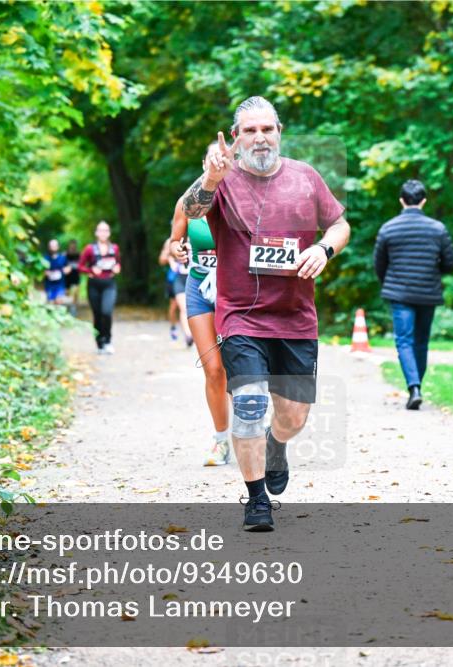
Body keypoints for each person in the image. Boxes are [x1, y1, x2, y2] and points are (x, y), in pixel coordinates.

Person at [180, 96, 350, 531]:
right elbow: (191, 211)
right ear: (235, 138)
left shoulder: (306, 177)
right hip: (242, 316)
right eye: (250, 131)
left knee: (293, 416)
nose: (260, 137)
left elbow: (340, 224)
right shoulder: (222, 180)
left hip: (295, 317)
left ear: (279, 133)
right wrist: (210, 177)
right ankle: (256, 500)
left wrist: (323, 249)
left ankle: (277, 446)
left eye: (267, 129)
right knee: (251, 403)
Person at [373, 179, 453, 410]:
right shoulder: (438, 229)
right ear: (423, 201)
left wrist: (389, 283)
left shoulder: (388, 228)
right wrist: (432, 272)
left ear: (401, 200)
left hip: (399, 294)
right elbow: (450, 263)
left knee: (404, 341)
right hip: (428, 293)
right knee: (421, 341)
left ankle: (414, 388)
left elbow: (379, 264)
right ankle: (417, 386)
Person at [170, 151, 230, 466]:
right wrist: (177, 249)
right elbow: (173, 240)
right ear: (204, 164)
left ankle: (249, 430)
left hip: (234, 291)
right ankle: (221, 441)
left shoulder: (240, 198)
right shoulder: (188, 201)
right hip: (198, 287)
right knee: (213, 369)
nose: (216, 165)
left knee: (239, 368)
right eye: (211, 160)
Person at [77, 221, 121, 354]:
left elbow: (118, 263)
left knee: (106, 312)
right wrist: (90, 270)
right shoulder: (90, 249)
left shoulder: (114, 248)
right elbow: (80, 267)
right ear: (96, 233)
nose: (103, 233)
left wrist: (118, 268)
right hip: (94, 285)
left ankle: (107, 341)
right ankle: (99, 343)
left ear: (109, 233)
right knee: (97, 314)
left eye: (106, 230)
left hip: (109, 284)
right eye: (100, 230)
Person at [158, 236, 193, 346]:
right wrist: (170, 258)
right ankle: (182, 331)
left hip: (192, 277)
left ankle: (190, 334)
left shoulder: (196, 236)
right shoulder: (171, 241)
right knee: (176, 307)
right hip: (177, 278)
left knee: (186, 307)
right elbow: (161, 259)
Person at [43, 239, 70, 304]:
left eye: (54, 246)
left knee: (59, 301)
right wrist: (46, 273)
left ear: (58, 247)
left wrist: (66, 270)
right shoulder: (45, 258)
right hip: (49, 285)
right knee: (50, 303)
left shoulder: (62, 258)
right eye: (51, 246)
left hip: (60, 284)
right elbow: (41, 271)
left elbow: (68, 267)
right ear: (49, 247)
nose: (53, 248)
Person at [65, 239, 82, 316]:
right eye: (71, 245)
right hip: (67, 277)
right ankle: (67, 308)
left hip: (76, 276)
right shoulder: (65, 255)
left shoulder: (79, 254)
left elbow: (82, 264)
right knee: (67, 293)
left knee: (75, 293)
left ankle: (74, 308)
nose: (72, 247)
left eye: (73, 245)